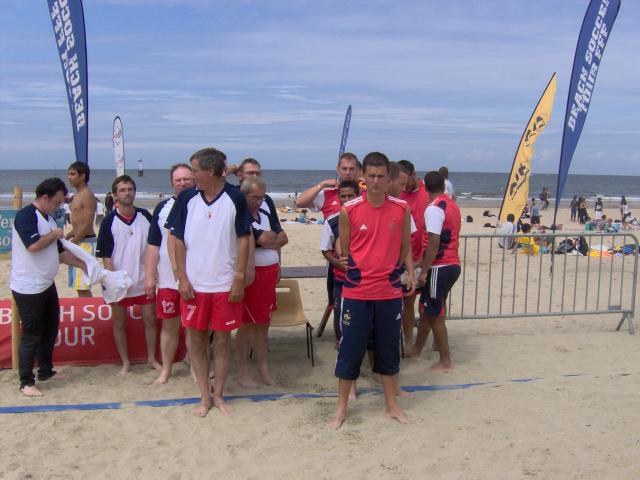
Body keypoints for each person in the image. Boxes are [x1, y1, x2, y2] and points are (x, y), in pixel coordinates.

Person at [328, 152, 412, 430]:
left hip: (388, 293)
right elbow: (346, 250)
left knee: (389, 350)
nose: (376, 181)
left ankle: (391, 406)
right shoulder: (349, 209)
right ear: (363, 177)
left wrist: (403, 271)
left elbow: (404, 248)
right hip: (357, 292)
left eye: (381, 176)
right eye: (371, 176)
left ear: (389, 178)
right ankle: (341, 409)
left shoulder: (401, 208)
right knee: (350, 350)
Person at [169, 147, 251, 417]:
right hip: (195, 283)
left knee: (223, 341)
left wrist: (239, 277)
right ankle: (204, 396)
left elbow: (243, 238)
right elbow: (177, 239)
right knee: (196, 339)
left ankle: (219, 395)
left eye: (195, 171)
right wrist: (181, 277)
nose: (191, 176)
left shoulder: (235, 198)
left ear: (211, 171)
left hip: (224, 283)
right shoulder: (187, 200)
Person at [10, 178, 88, 396]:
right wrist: (54, 234)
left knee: (50, 328)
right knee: (32, 334)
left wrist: (83, 265)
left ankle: (46, 370)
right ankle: (26, 381)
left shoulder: (50, 219)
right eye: (56, 202)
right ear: (45, 198)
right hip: (28, 286)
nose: (58, 206)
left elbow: (60, 253)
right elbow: (33, 245)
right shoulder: (26, 216)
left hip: (46, 283)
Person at [96, 175, 159, 376]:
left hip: (142, 279)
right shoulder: (108, 221)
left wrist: (153, 273)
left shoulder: (145, 217)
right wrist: (113, 280)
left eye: (130, 189)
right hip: (119, 281)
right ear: (115, 195)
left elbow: (154, 247)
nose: (127, 193)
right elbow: (105, 254)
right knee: (119, 323)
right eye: (122, 190)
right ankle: (125, 362)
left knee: (150, 319)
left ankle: (151, 358)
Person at [144, 163, 194, 384]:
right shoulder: (162, 207)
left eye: (186, 179)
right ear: (172, 182)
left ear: (193, 179)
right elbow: (153, 245)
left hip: (194, 278)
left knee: (195, 328)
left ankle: (195, 367)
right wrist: (148, 276)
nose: (182, 183)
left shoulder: (199, 204)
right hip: (166, 279)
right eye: (178, 179)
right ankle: (166, 369)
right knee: (169, 326)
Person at [236, 176, 288, 388]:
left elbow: (282, 238)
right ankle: (243, 372)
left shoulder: (265, 212)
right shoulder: (240, 215)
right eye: (254, 197)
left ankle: (263, 369)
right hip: (252, 275)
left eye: (261, 197)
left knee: (263, 324)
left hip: (269, 273)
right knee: (247, 326)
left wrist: (267, 241)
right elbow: (263, 239)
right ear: (244, 195)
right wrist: (267, 240)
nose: (258, 201)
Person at [413, 171, 462, 371]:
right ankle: (417, 349)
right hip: (450, 264)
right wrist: (420, 261)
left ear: (425, 187)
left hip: (440, 266)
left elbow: (434, 242)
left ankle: (445, 361)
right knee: (427, 309)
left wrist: (424, 271)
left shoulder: (434, 208)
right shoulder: (452, 204)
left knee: (434, 313)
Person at [398, 160, 429, 350]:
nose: (403, 187)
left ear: (413, 174)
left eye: (404, 181)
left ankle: (415, 342)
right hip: (402, 259)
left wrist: (424, 259)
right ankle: (405, 340)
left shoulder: (427, 193)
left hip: (422, 258)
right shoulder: (397, 194)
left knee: (420, 304)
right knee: (403, 302)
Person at [295, 152, 361, 219]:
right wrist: (322, 184)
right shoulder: (328, 194)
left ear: (358, 170)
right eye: (344, 169)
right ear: (338, 169)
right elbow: (299, 202)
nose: (348, 173)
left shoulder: (365, 193)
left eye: (351, 169)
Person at [65, 161, 97, 297]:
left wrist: (73, 242)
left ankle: (87, 313)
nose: (69, 177)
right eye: (69, 174)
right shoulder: (76, 195)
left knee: (83, 285)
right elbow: (78, 224)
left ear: (82, 176)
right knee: (79, 285)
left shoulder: (87, 195)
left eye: (72, 174)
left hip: (85, 242)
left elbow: (87, 224)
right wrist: (68, 237)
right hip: (78, 240)